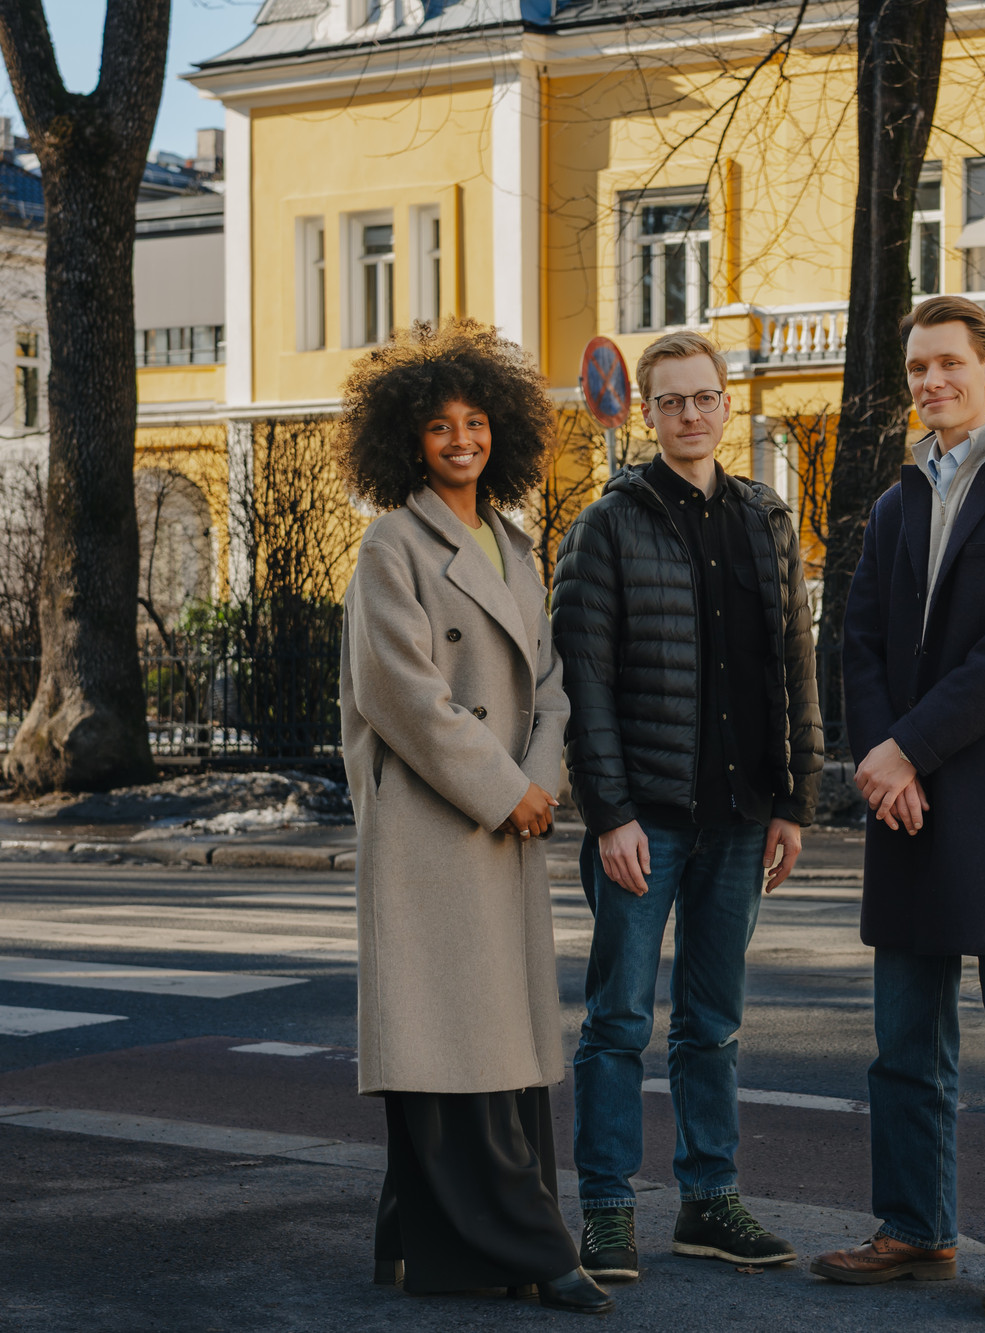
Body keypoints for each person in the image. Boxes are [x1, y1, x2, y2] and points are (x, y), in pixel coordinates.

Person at [811, 296, 985, 1315]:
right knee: (904, 1049)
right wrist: (885, 762)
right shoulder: (892, 506)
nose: (931, 383)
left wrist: (901, 749)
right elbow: (861, 643)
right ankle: (915, 1230)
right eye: (918, 368)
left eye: (948, 365)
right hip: (906, 806)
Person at [336, 319, 612, 1315]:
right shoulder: (390, 546)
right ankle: (532, 1248)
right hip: (434, 827)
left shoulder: (514, 539)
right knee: (451, 1041)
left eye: (477, 420)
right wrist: (507, 789)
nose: (462, 439)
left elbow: (548, 681)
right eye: (439, 425)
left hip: (502, 823)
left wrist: (538, 779)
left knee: (487, 1044)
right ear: (405, 440)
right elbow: (402, 693)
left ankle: (415, 1241)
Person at [553, 329, 822, 1282]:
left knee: (714, 1022)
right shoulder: (608, 524)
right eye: (672, 401)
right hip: (647, 821)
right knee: (619, 1020)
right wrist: (609, 811)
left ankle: (709, 1202)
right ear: (650, 411)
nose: (692, 415)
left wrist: (795, 796)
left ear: (726, 403)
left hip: (745, 814)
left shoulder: (767, 520)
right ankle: (609, 1210)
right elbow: (582, 683)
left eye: (706, 397)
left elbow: (795, 665)